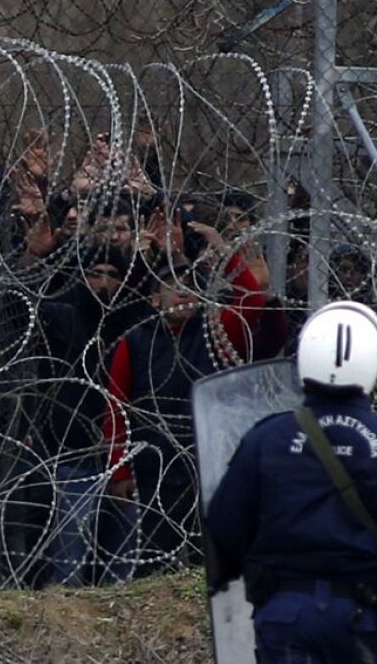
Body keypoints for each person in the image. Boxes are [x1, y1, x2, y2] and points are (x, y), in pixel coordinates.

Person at [206, 300, 377, 664]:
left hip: (285, 614)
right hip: (365, 618)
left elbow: (225, 525)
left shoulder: (267, 439)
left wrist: (237, 571)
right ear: (373, 362)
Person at [103, 218, 269, 574]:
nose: (185, 293)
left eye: (192, 286)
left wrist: (227, 256)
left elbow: (253, 302)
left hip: (208, 459)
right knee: (157, 551)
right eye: (173, 286)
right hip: (154, 462)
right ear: (153, 297)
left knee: (207, 552)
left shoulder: (215, 331)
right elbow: (116, 405)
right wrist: (121, 467)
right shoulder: (134, 342)